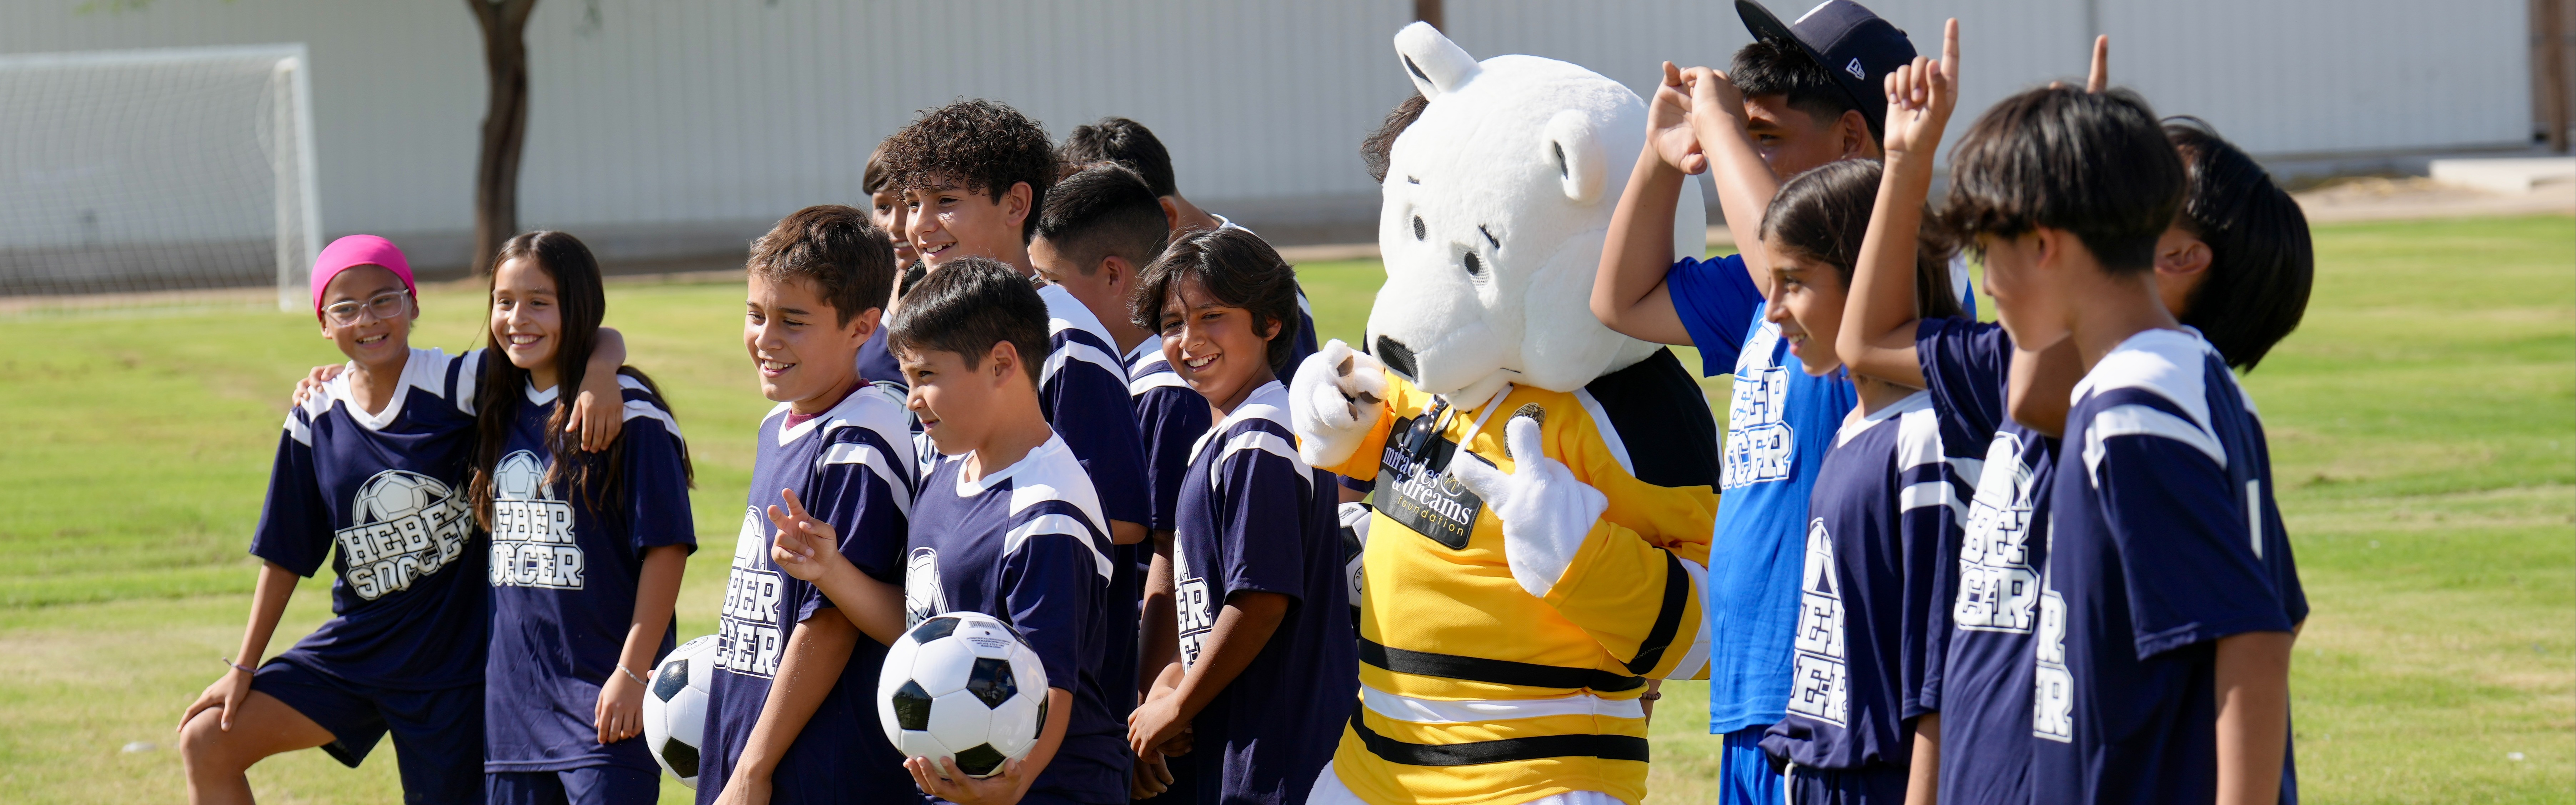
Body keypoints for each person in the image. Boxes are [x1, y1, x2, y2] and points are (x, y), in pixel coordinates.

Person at [1588, 4, 1925, 803]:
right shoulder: (1763, 285)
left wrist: (1719, 122)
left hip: (1834, 688)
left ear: (1851, 139)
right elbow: (1620, 300)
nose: (1742, 152)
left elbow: (1781, 267)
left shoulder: (1892, 272)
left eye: (1766, 136)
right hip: (1751, 687)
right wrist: (1662, 159)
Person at [1945, 84, 2304, 805]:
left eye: (1989, 253)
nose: (1987, 284)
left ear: (2044, 244)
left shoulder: (2133, 408)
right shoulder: (2185, 374)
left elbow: (2253, 637)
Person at [180, 235, 624, 805]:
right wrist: (244, 666)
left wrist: (601, 370)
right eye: (345, 308)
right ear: (323, 323)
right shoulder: (315, 415)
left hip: (453, 668)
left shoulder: (460, 384)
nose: (367, 319)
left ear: (413, 304)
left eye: (384, 300)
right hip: (358, 652)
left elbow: (588, 335)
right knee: (206, 740)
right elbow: (286, 554)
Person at [1737, 26, 1968, 800]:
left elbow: (1939, 670)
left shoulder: (1928, 441)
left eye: (1795, 283)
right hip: (1819, 766)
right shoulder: (1850, 427)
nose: (1772, 313)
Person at [697, 205, 920, 805]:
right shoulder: (781, 423)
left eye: (792, 321)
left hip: (816, 764)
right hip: (754, 745)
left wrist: (754, 766)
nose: (766, 338)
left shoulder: (859, 441)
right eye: (756, 314)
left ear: (861, 327)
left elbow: (830, 620)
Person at [885, 258, 1130, 804]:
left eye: (926, 375)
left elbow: (1052, 690)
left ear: (1000, 364)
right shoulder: (951, 467)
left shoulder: (1046, 512)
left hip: (1041, 789)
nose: (911, 398)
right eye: (906, 378)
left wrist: (1002, 791)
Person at [1125, 228, 1356, 805]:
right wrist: (1174, 687)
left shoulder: (1261, 438)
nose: (1189, 338)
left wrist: (1178, 703)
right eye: (1173, 322)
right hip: (1245, 745)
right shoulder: (1228, 433)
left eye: (1213, 315)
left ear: (1271, 322)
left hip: (1282, 753)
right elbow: (1207, 598)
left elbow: (1260, 600)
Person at [472, 230, 696, 805]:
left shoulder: (631, 415)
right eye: (503, 300)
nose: (517, 318)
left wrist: (633, 673)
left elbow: (666, 550)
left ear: (578, 306)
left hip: (604, 701)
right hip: (513, 712)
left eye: (539, 301)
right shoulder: (493, 400)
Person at [880, 99, 1153, 553]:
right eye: (912, 203)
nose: (920, 225)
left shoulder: (1063, 336)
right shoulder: (935, 324)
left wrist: (978, 544)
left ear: (1017, 204)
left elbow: (1121, 517)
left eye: (946, 201)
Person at [1026, 163, 1186, 794]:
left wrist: (1147, 692)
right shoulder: (1121, 365)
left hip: (1148, 698)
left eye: (1050, 281)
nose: (1038, 297)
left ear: (1115, 274)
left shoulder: (1161, 387)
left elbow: (1167, 553)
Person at [1058, 116, 1320, 368]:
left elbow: (1292, 396)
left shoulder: (1257, 280)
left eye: (1211, 316)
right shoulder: (1169, 273)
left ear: (1165, 215)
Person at [860, 149, 917, 386]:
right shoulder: (861, 295)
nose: (894, 225)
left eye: (911, 204)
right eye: (883, 207)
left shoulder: (975, 301)